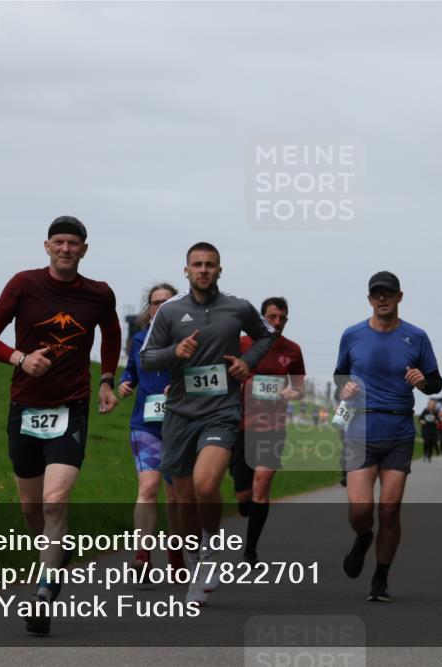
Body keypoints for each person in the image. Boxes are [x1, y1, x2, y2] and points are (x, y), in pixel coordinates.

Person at [0, 215, 121, 635]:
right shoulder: (24, 284)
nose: (65, 249)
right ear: (46, 246)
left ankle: (43, 592)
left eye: (73, 243)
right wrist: (21, 359)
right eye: (58, 242)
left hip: (71, 407)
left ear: (84, 250)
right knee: (31, 510)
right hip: (24, 406)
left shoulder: (99, 294)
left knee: (55, 501)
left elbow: (111, 336)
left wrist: (107, 380)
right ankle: (60, 551)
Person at [140, 242, 277, 605]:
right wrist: (175, 352)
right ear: (186, 270)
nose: (203, 270)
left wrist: (248, 362)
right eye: (197, 265)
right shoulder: (169, 311)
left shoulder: (238, 307)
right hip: (181, 413)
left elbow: (267, 335)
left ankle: (209, 553)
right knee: (184, 501)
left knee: (206, 483)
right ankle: (193, 555)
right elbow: (147, 358)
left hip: (222, 410)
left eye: (210, 264)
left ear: (220, 269)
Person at [334, 271, 442, 602]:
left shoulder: (416, 337)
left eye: (388, 293)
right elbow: (340, 376)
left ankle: (380, 578)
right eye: (376, 294)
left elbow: (435, 383)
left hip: (398, 430)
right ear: (369, 299)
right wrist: (345, 386)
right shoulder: (352, 335)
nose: (382, 299)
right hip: (360, 429)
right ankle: (363, 536)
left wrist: (421, 381)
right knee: (360, 509)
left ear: (399, 297)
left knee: (390, 510)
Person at [229, 297, 306, 564]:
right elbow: (224, 372)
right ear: (261, 319)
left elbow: (299, 387)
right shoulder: (242, 344)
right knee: (243, 491)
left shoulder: (292, 350)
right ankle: (243, 501)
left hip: (272, 427)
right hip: (240, 424)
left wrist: (292, 392)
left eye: (282, 318)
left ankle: (250, 550)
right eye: (272, 317)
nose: (277, 323)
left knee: (262, 483)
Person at [118, 283, 184, 574]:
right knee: (147, 487)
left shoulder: (188, 340)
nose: (160, 307)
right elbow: (131, 369)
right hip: (145, 423)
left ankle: (177, 555)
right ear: (149, 307)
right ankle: (142, 555)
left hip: (180, 425)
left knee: (175, 497)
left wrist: (181, 387)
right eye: (155, 302)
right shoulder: (140, 339)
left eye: (167, 302)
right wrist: (125, 382)